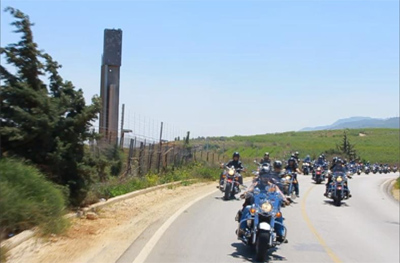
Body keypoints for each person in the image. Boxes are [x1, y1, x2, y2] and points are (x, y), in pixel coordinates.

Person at [237, 160, 290, 243]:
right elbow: (250, 189)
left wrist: (285, 199)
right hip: (258, 206)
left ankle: (280, 234)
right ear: (260, 176)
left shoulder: (273, 185)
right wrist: (246, 193)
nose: (265, 178)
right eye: (264, 176)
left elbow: (279, 192)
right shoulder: (256, 184)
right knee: (247, 208)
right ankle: (242, 229)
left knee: (278, 214)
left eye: (267, 176)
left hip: (268, 207)